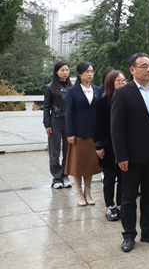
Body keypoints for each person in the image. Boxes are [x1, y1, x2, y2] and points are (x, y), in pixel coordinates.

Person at [111, 53, 149, 253]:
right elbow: (116, 128)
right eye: (143, 66)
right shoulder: (123, 93)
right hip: (132, 156)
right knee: (128, 197)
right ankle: (129, 234)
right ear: (132, 70)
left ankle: (148, 230)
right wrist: (121, 155)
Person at [64, 62, 102, 206]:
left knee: (89, 164)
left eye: (92, 71)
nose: (90, 74)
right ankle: (79, 193)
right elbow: (68, 114)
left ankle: (88, 191)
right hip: (78, 133)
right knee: (78, 164)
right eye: (87, 71)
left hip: (93, 133)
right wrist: (70, 133)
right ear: (79, 74)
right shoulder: (72, 91)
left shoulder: (97, 90)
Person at [93, 70, 127, 221]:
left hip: (124, 145)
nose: (122, 83)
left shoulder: (127, 99)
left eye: (124, 80)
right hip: (108, 146)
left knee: (123, 177)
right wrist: (98, 145)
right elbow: (97, 126)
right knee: (109, 178)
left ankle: (120, 204)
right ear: (110, 83)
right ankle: (110, 206)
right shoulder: (103, 101)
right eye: (118, 80)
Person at [43, 61, 73, 189]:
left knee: (68, 151)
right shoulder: (50, 87)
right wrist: (47, 124)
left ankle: (65, 175)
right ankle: (56, 178)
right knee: (54, 152)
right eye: (62, 70)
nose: (65, 72)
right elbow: (46, 107)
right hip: (55, 122)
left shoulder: (72, 88)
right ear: (56, 72)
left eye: (67, 70)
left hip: (69, 122)